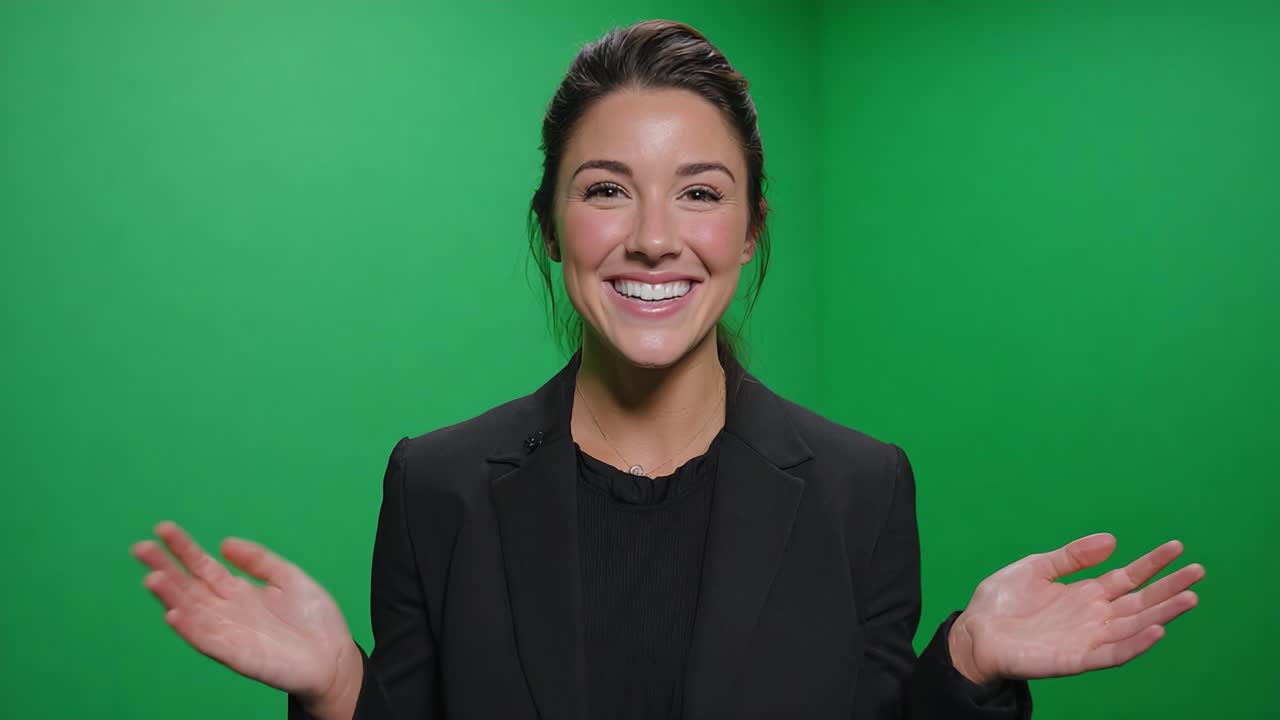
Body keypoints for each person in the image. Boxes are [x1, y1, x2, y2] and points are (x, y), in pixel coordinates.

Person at [130, 19, 1205, 720]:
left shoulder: (860, 488)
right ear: (550, 227)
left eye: (698, 192)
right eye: (605, 190)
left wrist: (968, 664)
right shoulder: (435, 486)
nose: (653, 238)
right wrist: (336, 691)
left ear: (748, 231)